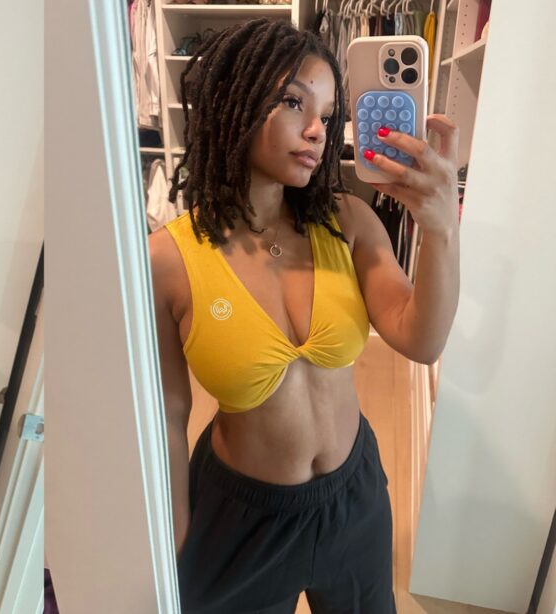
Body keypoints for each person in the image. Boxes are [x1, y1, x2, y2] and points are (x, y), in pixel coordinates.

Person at [148, 19, 459, 613]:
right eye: (294, 102)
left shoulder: (347, 222)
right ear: (233, 102)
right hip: (241, 518)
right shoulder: (168, 260)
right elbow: (167, 413)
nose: (317, 130)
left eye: (328, 114)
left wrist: (442, 230)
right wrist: (172, 537)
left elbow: (421, 339)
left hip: (354, 498)